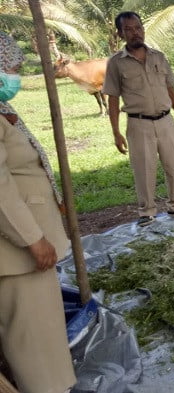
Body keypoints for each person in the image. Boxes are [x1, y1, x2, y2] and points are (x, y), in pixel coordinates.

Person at [0, 31, 76, 393]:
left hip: (22, 249)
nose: (15, 76)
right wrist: (33, 239)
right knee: (34, 337)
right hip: (16, 252)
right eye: (11, 67)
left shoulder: (3, 110)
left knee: (40, 330)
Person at [103, 11, 174, 227]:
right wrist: (116, 132)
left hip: (165, 120)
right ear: (120, 33)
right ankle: (147, 213)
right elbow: (113, 99)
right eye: (129, 29)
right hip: (138, 123)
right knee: (144, 168)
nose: (135, 33)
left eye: (138, 28)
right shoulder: (116, 63)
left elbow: (171, 90)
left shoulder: (158, 57)